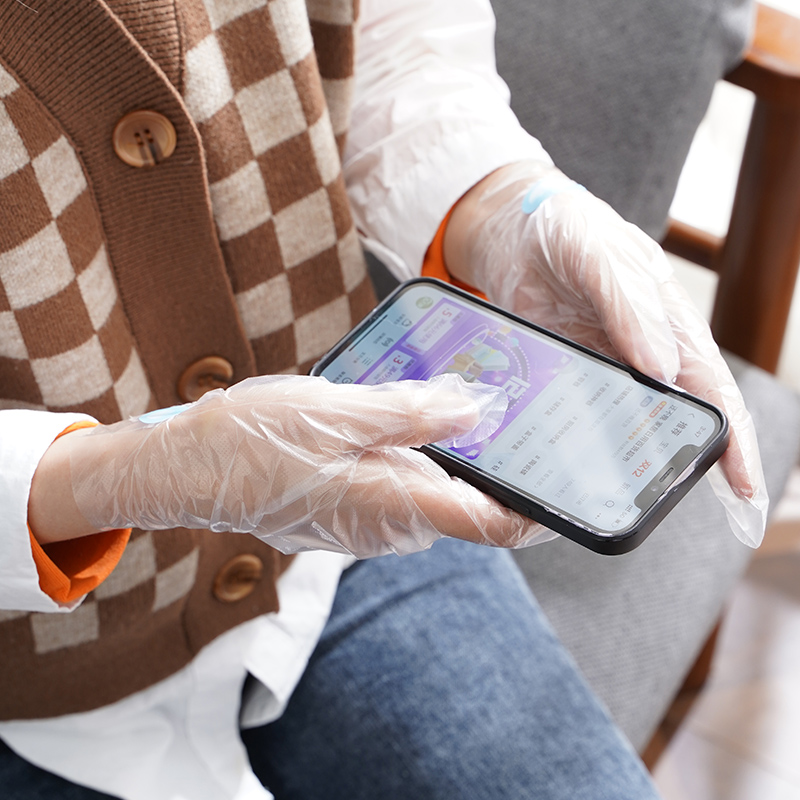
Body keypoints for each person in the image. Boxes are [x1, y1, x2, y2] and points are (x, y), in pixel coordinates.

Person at [0, 0, 766, 797]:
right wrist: (129, 476)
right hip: (33, 679)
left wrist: (503, 201)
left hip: (342, 520)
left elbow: (385, 29)